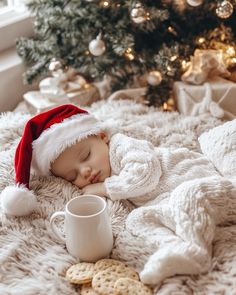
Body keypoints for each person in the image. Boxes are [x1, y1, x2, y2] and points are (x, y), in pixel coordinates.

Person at [1, 104, 235, 285]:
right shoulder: (106, 171)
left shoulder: (123, 146)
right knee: (138, 219)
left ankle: (197, 251)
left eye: (85, 156)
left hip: (200, 181)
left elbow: (145, 176)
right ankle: (175, 247)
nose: (85, 171)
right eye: (73, 176)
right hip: (168, 200)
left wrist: (104, 188)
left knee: (189, 196)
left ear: (102, 137)